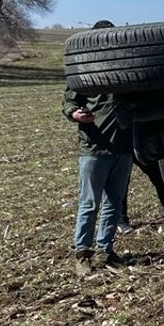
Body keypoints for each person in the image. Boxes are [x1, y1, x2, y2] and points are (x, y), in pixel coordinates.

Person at [64, 22, 137, 276]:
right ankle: (82, 254)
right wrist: (75, 114)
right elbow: (69, 103)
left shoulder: (126, 70)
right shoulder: (83, 72)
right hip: (94, 149)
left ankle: (105, 251)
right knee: (89, 204)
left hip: (123, 147)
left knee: (113, 204)